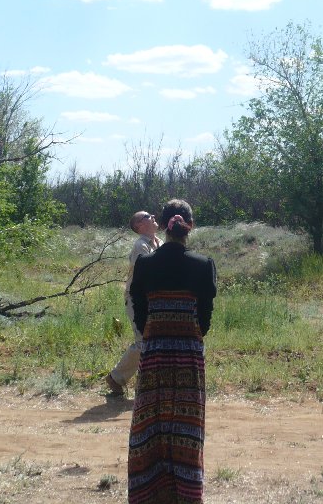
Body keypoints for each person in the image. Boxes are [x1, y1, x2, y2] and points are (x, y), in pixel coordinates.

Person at [127, 199, 217, 504]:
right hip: (189, 356)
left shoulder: (145, 264)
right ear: (190, 226)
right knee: (186, 425)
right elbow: (205, 318)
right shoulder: (203, 264)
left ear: (164, 226)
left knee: (151, 421)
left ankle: (150, 491)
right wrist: (188, 335)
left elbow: (139, 310)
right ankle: (186, 492)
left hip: (154, 354)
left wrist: (154, 334)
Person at [106, 210, 161, 396]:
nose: (153, 217)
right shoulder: (140, 246)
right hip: (137, 299)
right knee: (143, 342)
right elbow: (147, 273)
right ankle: (115, 378)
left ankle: (149, 383)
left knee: (154, 341)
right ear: (139, 225)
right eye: (148, 216)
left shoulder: (159, 242)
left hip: (152, 299)